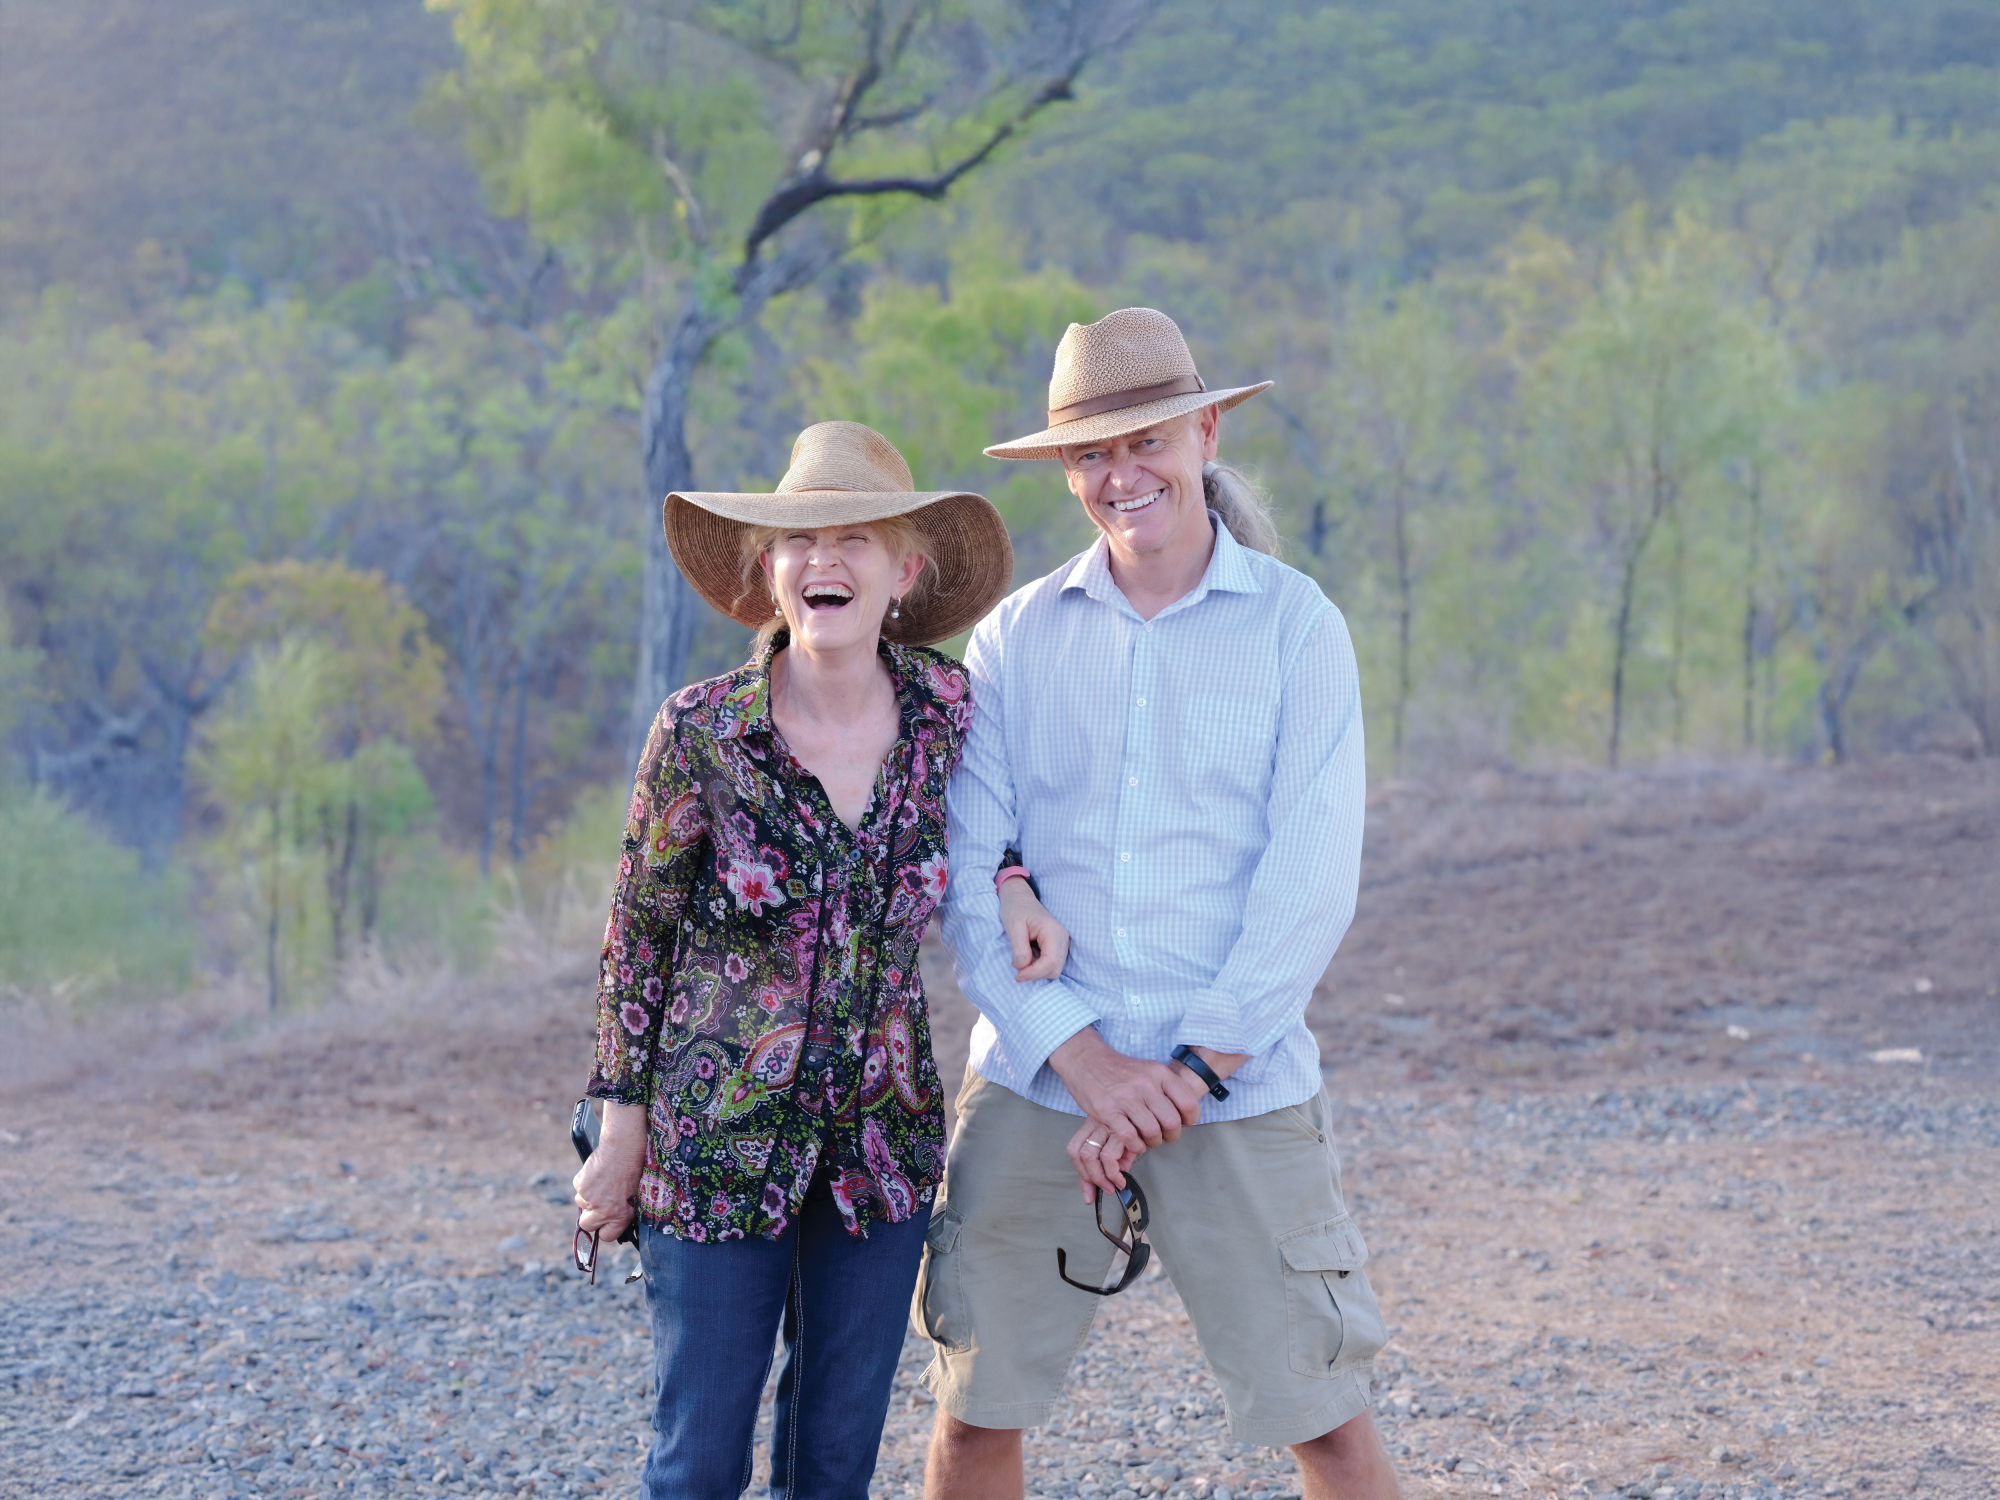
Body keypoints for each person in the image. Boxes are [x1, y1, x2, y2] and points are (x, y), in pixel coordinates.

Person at [920, 309, 1400, 1499]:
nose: (1118, 475)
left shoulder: (1296, 629)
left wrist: (1176, 1081)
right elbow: (973, 872)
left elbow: (1307, 886)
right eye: (1090, 454)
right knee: (975, 1415)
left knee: (1325, 1419)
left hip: (1236, 1085)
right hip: (1041, 1083)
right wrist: (1092, 1071)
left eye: (1144, 441)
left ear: (1203, 426)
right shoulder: (1016, 638)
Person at [572, 421, 1070, 1500]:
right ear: (766, 570)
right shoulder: (702, 731)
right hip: (712, 1147)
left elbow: (995, 832)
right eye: (798, 541)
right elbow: (637, 938)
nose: (823, 561)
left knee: (833, 1463)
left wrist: (1014, 883)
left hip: (879, 1146)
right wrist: (618, 1136)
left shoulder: (951, 713)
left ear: (906, 570)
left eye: (855, 539)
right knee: (697, 1459)